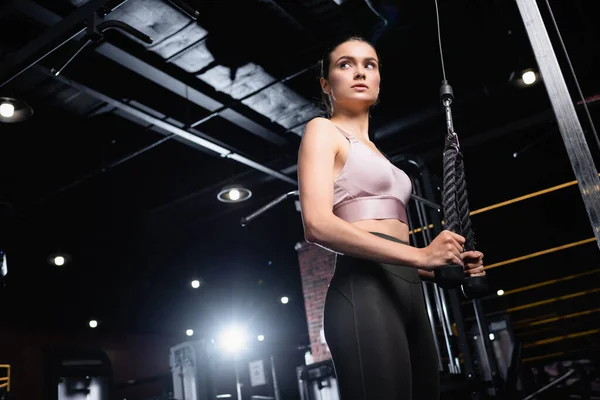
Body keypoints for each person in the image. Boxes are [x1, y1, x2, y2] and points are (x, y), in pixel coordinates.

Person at [297, 36, 486, 400]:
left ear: (379, 79)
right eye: (345, 64)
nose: (360, 72)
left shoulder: (378, 153)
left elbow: (391, 249)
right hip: (363, 293)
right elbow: (317, 225)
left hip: (409, 296)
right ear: (326, 84)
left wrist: (441, 268)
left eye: (370, 64)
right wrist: (421, 255)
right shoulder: (323, 131)